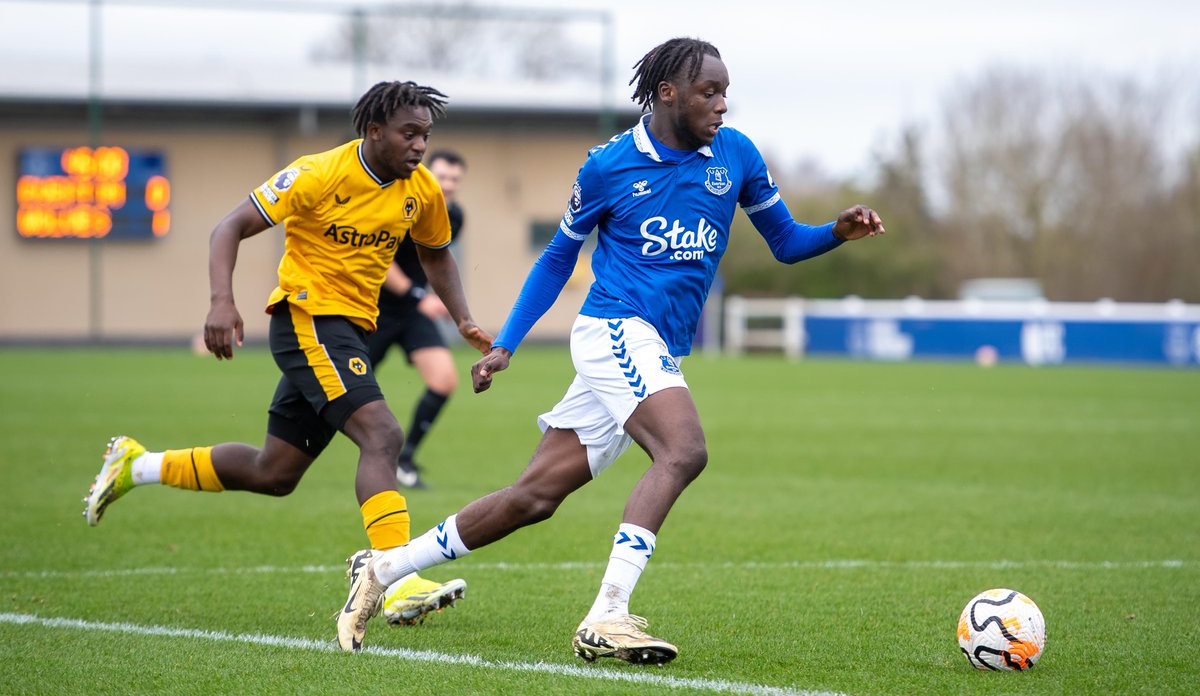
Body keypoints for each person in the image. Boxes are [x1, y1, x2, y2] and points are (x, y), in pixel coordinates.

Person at [335, 38, 886, 660]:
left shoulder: (736, 154)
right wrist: (506, 344)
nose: (723, 104)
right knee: (683, 450)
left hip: (654, 345)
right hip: (615, 329)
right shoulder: (610, 164)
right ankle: (608, 615)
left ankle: (383, 570)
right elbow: (557, 257)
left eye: (727, 92)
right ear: (668, 93)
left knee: (533, 498)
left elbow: (786, 242)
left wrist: (837, 232)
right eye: (711, 92)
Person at [82, 81, 494, 649]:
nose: (421, 145)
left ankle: (137, 465)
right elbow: (229, 227)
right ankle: (394, 576)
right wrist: (221, 301)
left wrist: (464, 318)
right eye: (410, 133)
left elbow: (436, 253)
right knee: (382, 433)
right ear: (373, 131)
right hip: (307, 319)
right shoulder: (316, 173)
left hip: (351, 328)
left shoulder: (419, 189)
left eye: (426, 134)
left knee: (274, 472)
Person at [367, 149, 468, 489]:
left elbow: (436, 262)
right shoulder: (401, 202)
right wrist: (418, 295)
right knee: (340, 392)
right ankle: (296, 448)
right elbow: (379, 262)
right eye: (442, 177)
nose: (448, 185)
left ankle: (403, 461)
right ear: (425, 174)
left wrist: (443, 301)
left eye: (455, 179)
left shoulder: (454, 215)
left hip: (412, 312)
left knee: (444, 380)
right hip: (373, 309)